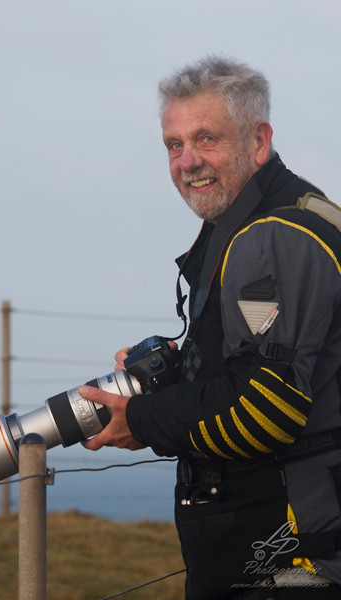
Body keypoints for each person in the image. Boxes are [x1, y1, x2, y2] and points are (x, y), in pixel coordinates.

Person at [78, 56, 341, 599]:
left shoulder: (271, 238)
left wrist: (145, 419)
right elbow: (274, 365)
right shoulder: (283, 214)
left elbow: (267, 408)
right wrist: (181, 373)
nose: (188, 161)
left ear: (259, 141)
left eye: (206, 139)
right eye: (174, 145)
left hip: (294, 567)